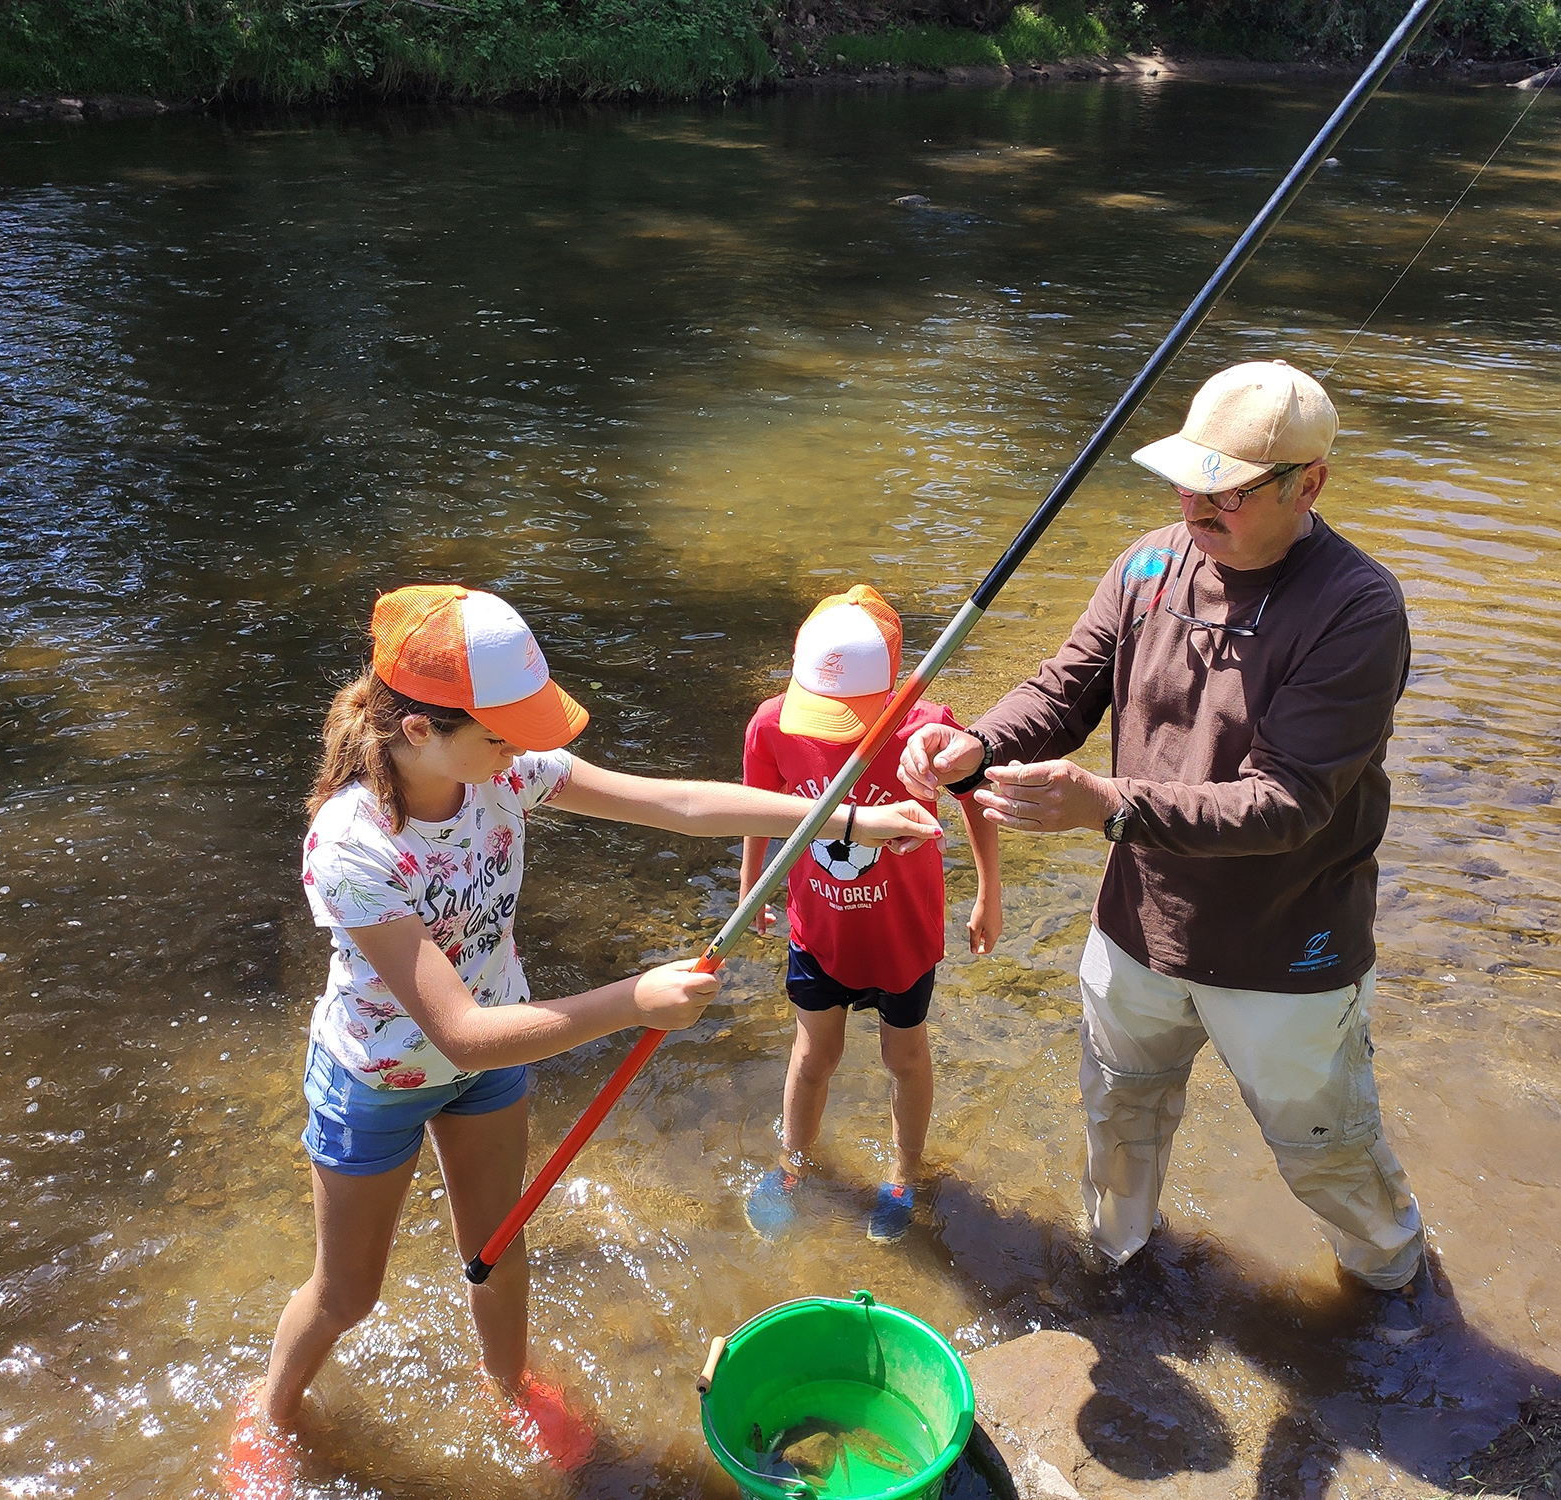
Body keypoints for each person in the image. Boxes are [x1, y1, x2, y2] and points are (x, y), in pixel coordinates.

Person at [226, 584, 940, 1492]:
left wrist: (847, 820)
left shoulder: (503, 772)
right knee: (348, 1292)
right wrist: (634, 998)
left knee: (495, 1244)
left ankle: (508, 1383)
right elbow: (464, 1033)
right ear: (419, 732)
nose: (523, 748)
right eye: (501, 732)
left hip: (492, 1062)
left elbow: (680, 802)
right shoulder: (353, 845)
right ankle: (271, 1409)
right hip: (383, 1075)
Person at [899, 361, 1427, 1319]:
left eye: (1224, 488)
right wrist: (974, 744)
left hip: (1288, 953)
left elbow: (1287, 804)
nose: (1196, 504)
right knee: (1120, 1122)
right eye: (1186, 479)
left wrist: (1106, 806)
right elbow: (1063, 689)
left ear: (1308, 483)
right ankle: (1118, 1270)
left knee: (1328, 1155)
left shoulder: (1358, 609)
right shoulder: (1149, 563)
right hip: (1137, 929)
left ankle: (1393, 1295)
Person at [736, 586, 1002, 1244]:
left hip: (902, 937)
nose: (828, 724)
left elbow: (975, 797)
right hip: (818, 931)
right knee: (812, 1054)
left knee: (903, 1054)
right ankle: (793, 1166)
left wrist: (988, 892)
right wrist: (755, 889)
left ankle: (904, 1174)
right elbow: (754, 810)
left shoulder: (927, 726)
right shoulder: (773, 725)